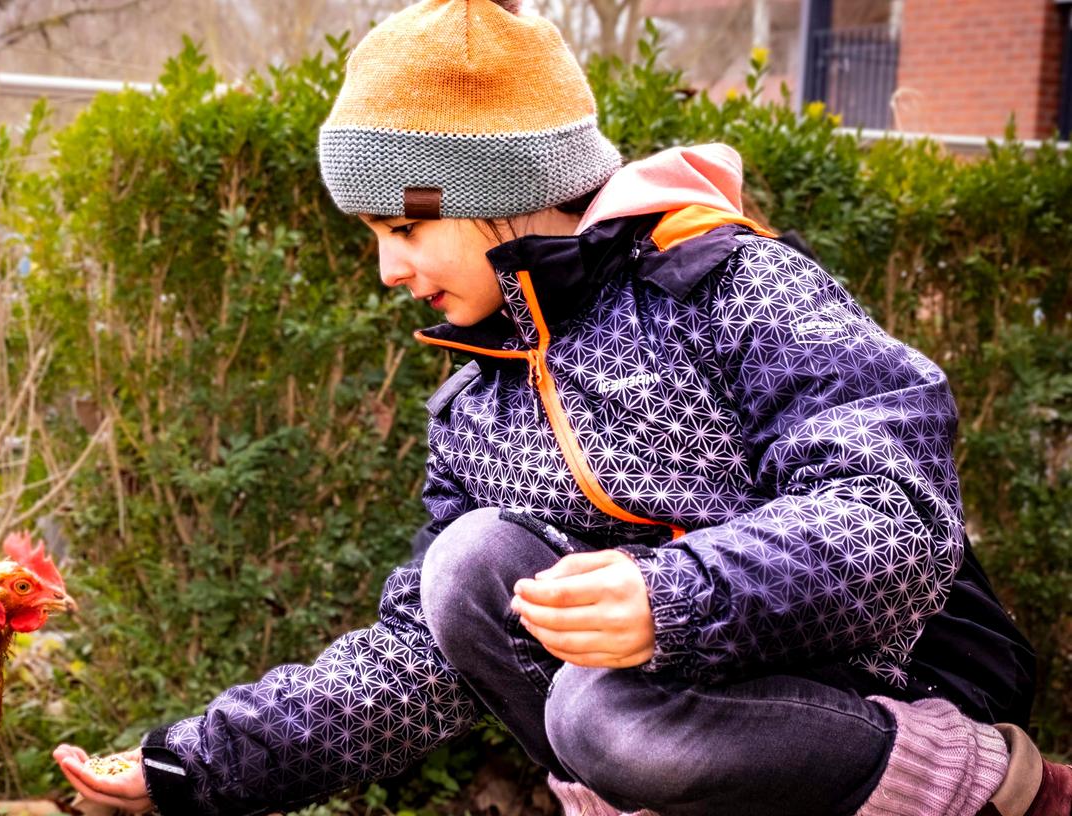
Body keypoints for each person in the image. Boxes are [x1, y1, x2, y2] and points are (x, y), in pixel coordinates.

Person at [54, 1, 1070, 813]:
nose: (385, 269)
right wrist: (193, 769)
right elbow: (420, 658)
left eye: (401, 227)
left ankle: (983, 789)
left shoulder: (727, 286)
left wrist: (675, 596)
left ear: (498, 184)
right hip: (664, 731)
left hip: (887, 695)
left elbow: (892, 513)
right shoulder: (477, 404)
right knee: (469, 569)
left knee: (597, 712)